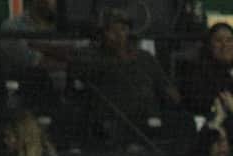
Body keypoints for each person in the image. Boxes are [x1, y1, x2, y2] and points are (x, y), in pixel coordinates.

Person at [70, 9, 181, 148]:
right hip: (110, 124)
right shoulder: (91, 58)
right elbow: (77, 75)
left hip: (149, 123)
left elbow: (169, 91)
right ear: (102, 34)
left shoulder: (144, 57)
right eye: (111, 31)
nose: (118, 35)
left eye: (123, 29)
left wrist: (169, 95)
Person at [177, 22, 233, 119]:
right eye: (218, 40)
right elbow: (199, 102)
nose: (224, 45)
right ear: (209, 45)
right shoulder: (194, 68)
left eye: (229, 40)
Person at [0, 0, 75, 97]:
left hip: (73, 97)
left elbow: (81, 53)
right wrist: (71, 64)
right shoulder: (12, 28)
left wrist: (38, 46)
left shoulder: (70, 28)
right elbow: (36, 63)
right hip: (26, 101)